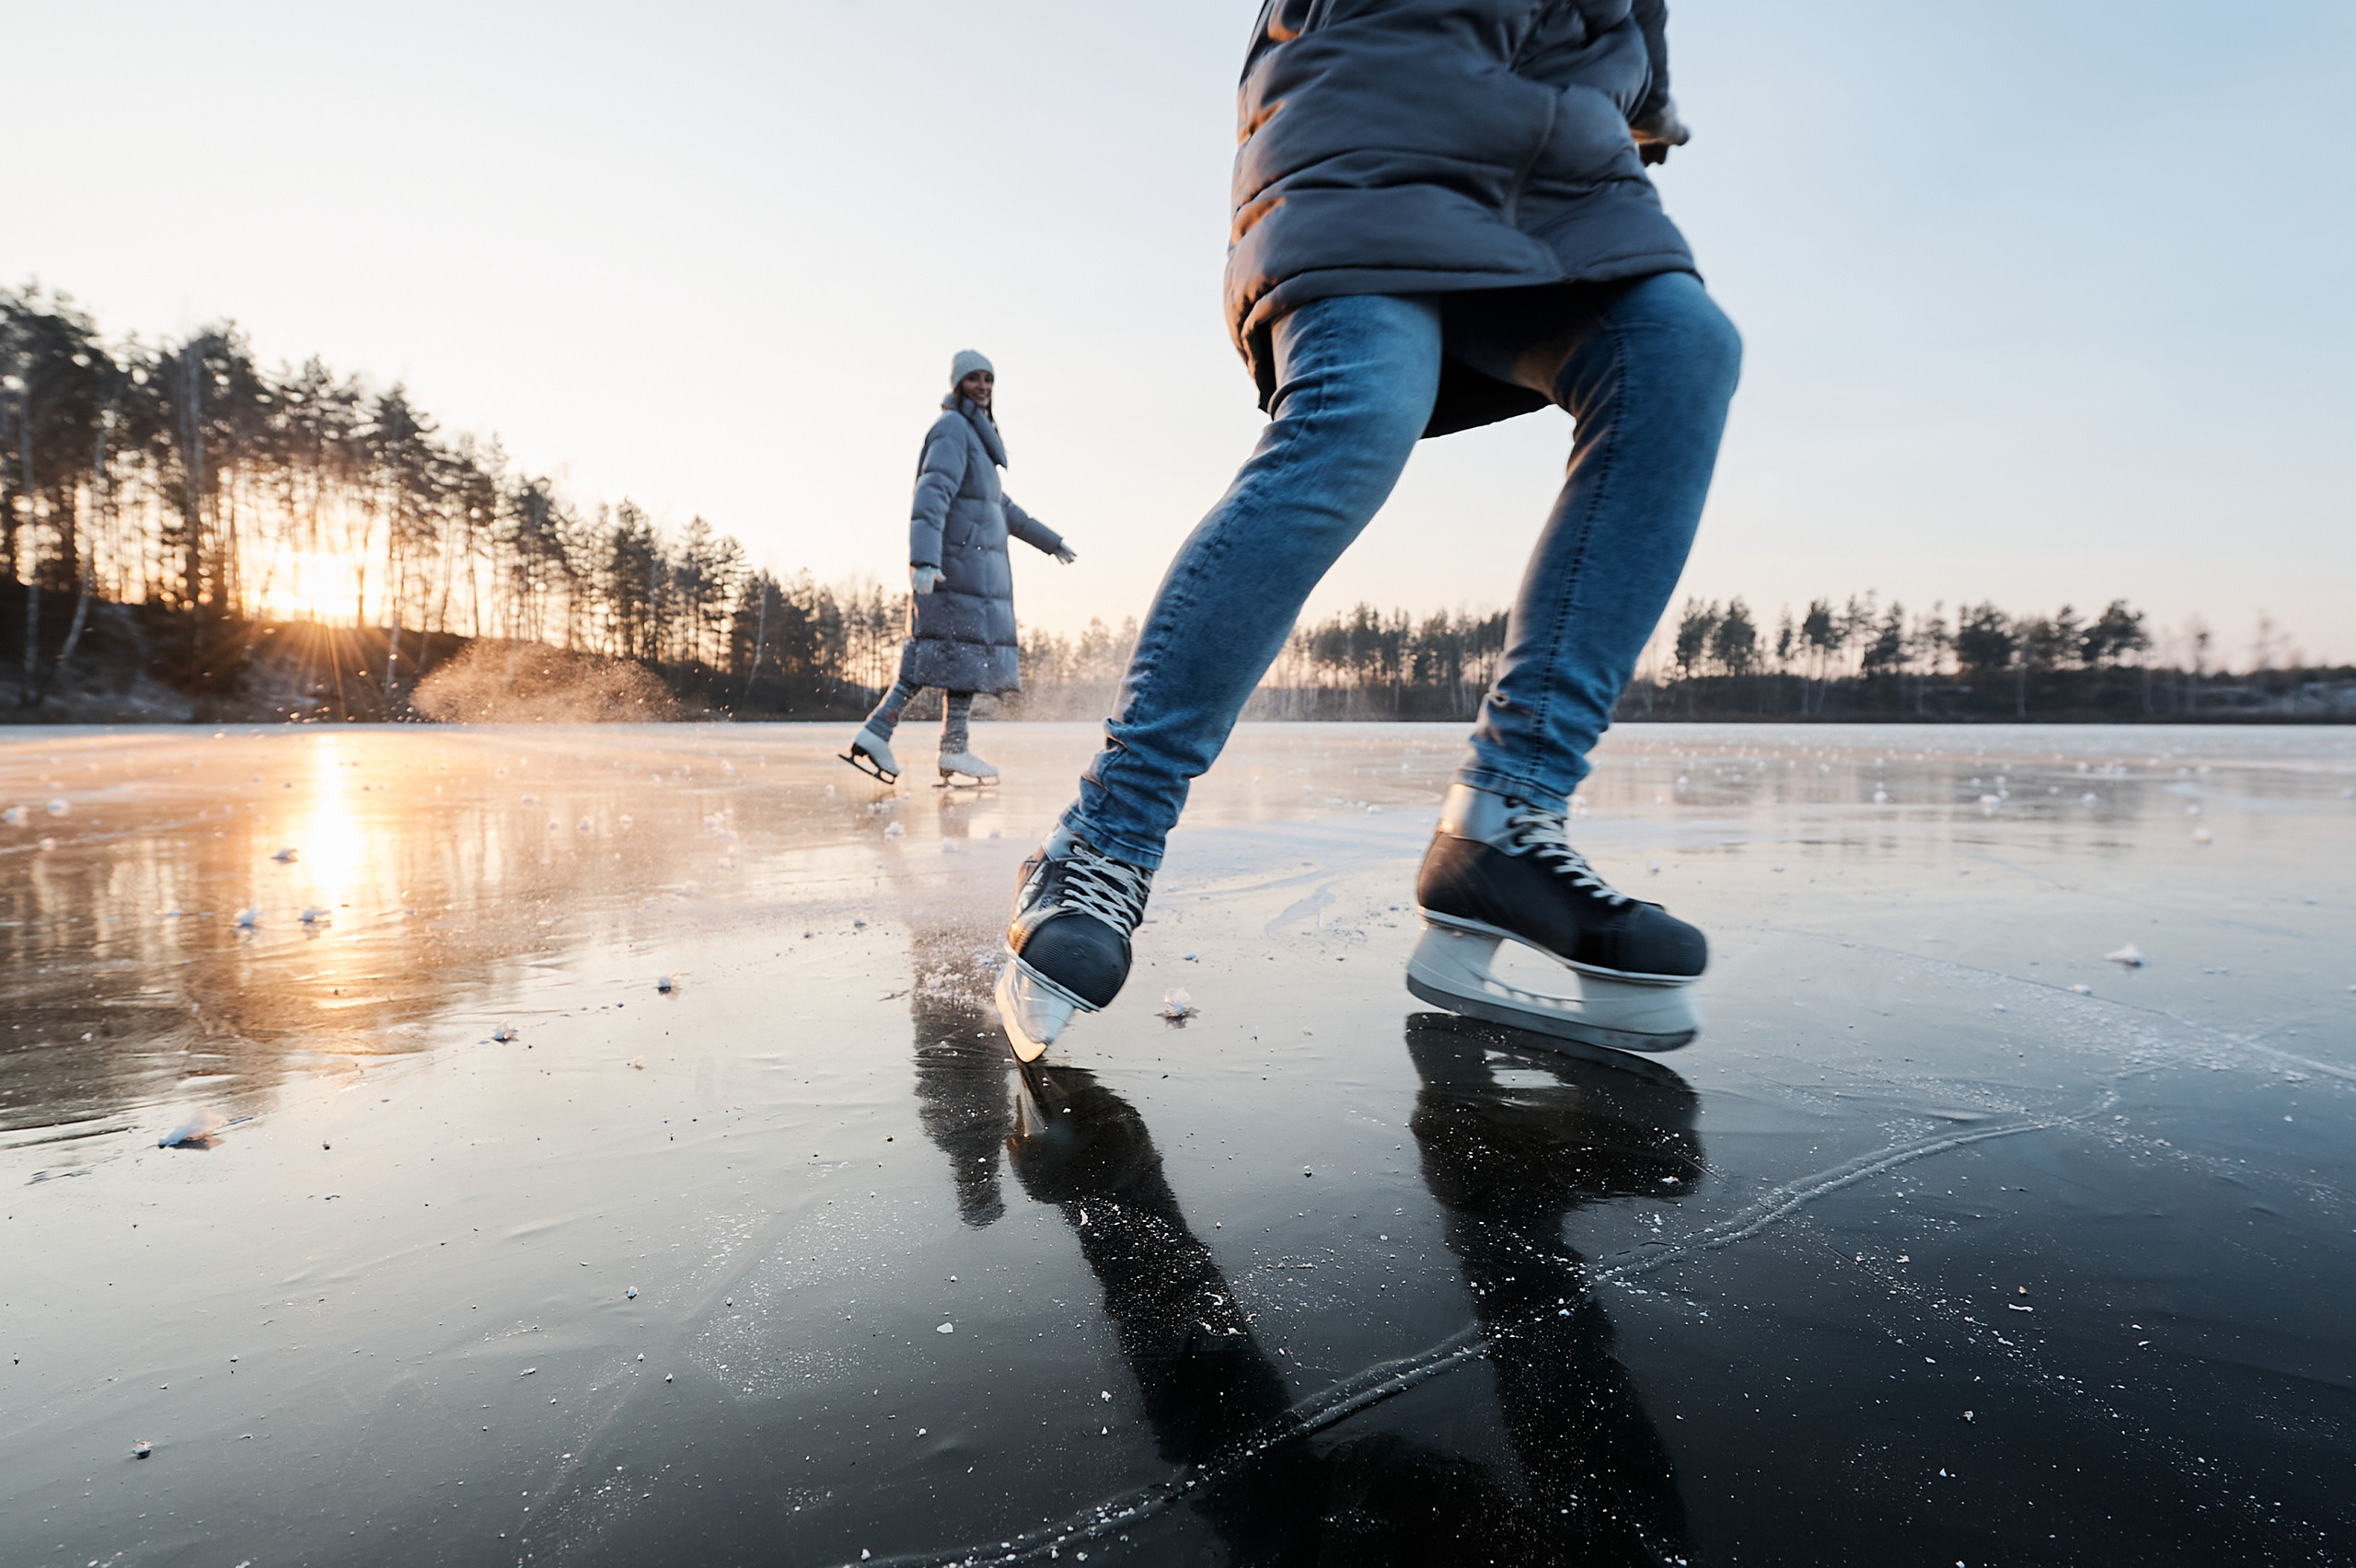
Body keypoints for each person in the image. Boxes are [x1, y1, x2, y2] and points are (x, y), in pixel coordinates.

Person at [997, 0, 1741, 1059]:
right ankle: (1101, 841)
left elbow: (1644, 78)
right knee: (1359, 409)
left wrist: (1633, 106)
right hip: (1374, 107)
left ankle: (1505, 824)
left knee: (1679, 349)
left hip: (1559, 177)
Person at [843, 350, 1076, 786]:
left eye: (989, 378)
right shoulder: (952, 430)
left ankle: (953, 750)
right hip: (953, 572)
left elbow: (1000, 508)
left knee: (964, 663)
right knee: (927, 659)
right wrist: (925, 561)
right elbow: (930, 496)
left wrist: (1051, 541)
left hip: (975, 576)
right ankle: (878, 731)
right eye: (974, 378)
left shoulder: (977, 440)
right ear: (957, 385)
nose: (983, 386)